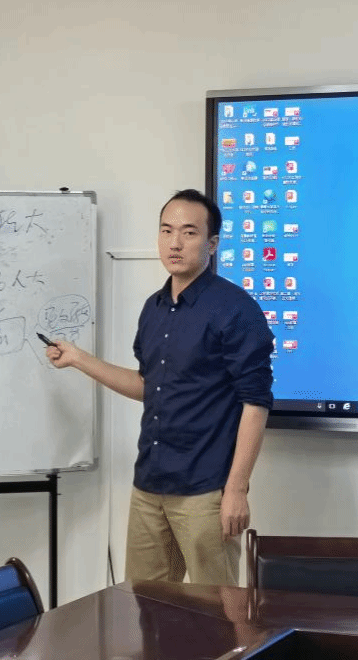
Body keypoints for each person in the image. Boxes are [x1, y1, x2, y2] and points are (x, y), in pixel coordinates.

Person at [46, 188, 274, 585]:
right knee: (145, 607)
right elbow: (148, 386)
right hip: (149, 486)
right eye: (166, 230)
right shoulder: (153, 308)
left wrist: (237, 489)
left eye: (189, 232)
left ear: (212, 243)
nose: (175, 242)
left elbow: (255, 404)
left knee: (214, 612)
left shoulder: (237, 309)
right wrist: (79, 358)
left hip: (205, 490)